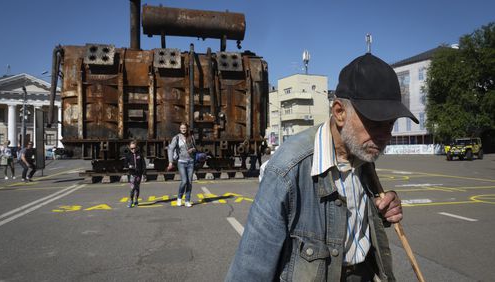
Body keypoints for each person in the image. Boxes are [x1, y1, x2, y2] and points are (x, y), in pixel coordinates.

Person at [226, 53, 419, 282]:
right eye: (376, 123)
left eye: (391, 124)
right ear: (339, 112)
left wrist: (381, 212)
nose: (386, 135)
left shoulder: (362, 153)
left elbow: (350, 218)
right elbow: (250, 269)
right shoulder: (287, 169)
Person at [167, 123, 196, 207]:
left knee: (189, 182)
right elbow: (170, 149)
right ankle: (179, 198)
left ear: (187, 129)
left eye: (185, 128)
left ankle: (187, 200)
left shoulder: (191, 137)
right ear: (180, 129)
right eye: (182, 128)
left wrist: (192, 149)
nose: (183, 129)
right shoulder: (176, 138)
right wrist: (170, 161)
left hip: (190, 162)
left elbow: (195, 148)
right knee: (184, 181)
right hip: (181, 162)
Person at [124, 140, 146, 208]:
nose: (133, 150)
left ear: (137, 148)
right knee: (132, 188)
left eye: (134, 148)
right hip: (132, 174)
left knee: (137, 188)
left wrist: (144, 174)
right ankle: (130, 200)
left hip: (138, 174)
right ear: (129, 148)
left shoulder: (140, 155)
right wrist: (129, 166)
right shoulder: (128, 155)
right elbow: (125, 164)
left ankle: (136, 199)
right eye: (131, 148)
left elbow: (143, 165)